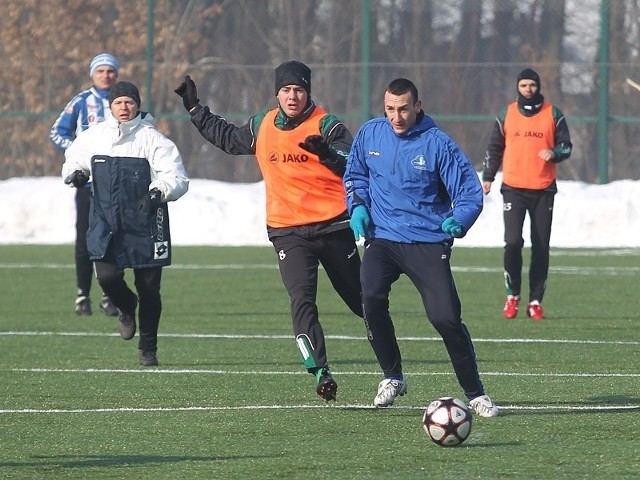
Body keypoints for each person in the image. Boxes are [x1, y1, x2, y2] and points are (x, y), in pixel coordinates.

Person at [174, 60, 363, 402]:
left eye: (299, 90)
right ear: (277, 93)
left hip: (333, 226)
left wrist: (328, 155)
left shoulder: (328, 125)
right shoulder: (262, 124)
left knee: (363, 301)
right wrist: (194, 108)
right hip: (287, 231)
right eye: (287, 90)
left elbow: (352, 165)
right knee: (301, 299)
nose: (293, 96)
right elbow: (228, 139)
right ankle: (320, 371)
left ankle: (391, 369)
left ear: (308, 92)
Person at [344, 78, 499, 417]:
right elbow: (356, 176)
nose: (396, 117)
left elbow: (469, 192)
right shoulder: (370, 134)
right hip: (383, 238)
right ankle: (392, 376)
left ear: (417, 106)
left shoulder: (438, 144)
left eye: (402, 109)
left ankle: (475, 392)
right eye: (389, 109)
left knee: (444, 317)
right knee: (369, 297)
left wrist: (460, 220)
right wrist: (357, 206)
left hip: (427, 241)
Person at [61, 81, 189, 366]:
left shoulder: (153, 139)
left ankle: (148, 349)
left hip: (146, 224)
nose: (124, 107)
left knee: (149, 290)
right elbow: (73, 161)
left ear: (137, 105)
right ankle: (126, 306)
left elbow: (176, 178)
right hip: (106, 222)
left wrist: (158, 192)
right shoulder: (94, 137)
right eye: (118, 102)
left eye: (129, 102)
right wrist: (75, 175)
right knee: (107, 278)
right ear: (111, 106)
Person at [482, 68, 572, 320]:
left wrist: (554, 152)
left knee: (540, 246)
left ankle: (535, 301)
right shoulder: (506, 114)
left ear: (538, 87)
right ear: (518, 87)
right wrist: (488, 176)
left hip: (543, 188)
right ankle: (512, 296)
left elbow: (567, 146)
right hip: (513, 187)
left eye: (532, 85)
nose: (528, 90)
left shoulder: (553, 114)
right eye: (523, 85)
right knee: (512, 243)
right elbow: (494, 147)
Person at [49, 53, 121, 317]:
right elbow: (57, 132)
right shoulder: (81, 101)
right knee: (84, 239)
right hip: (88, 184)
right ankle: (82, 295)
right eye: (100, 70)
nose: (106, 75)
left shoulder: (123, 102)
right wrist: (79, 155)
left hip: (115, 185)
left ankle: (109, 295)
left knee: (113, 238)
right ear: (93, 74)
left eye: (110, 71)